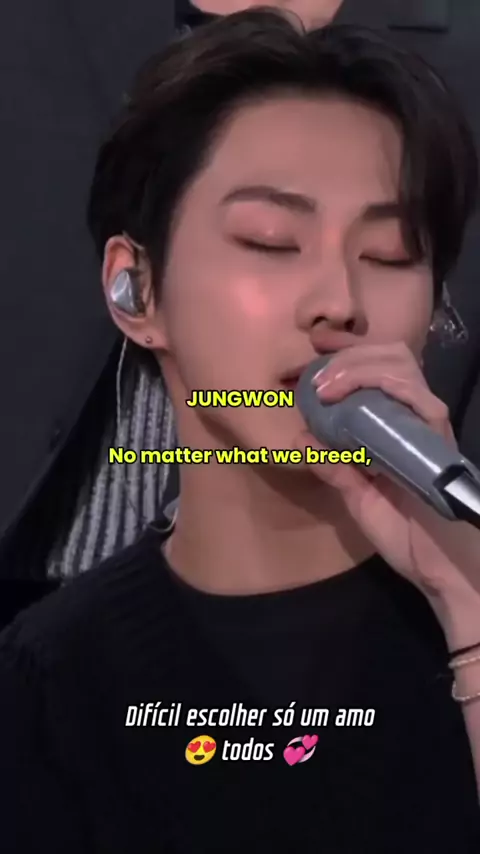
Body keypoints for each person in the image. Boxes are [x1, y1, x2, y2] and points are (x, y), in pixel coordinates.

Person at [2, 9, 480, 851]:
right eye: (270, 241)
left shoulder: (465, 607)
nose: (338, 302)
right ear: (135, 289)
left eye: (389, 253)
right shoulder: (45, 678)